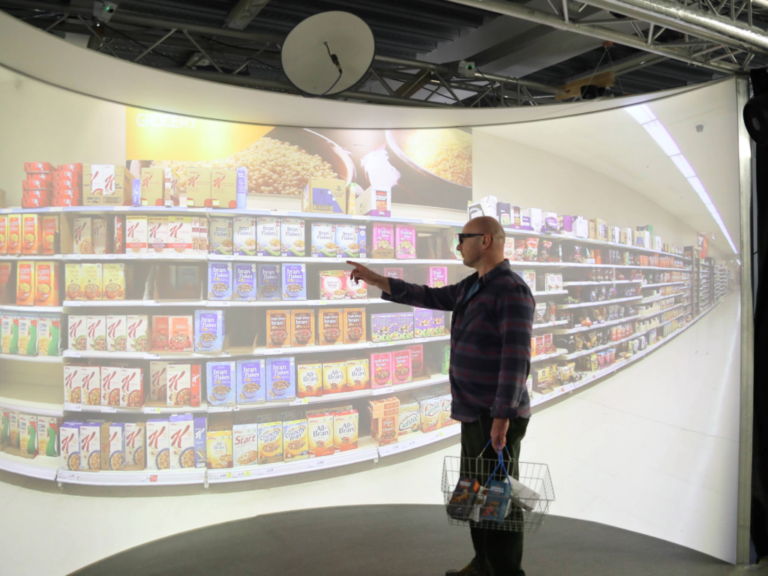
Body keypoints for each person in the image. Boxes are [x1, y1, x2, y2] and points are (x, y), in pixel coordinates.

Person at [348, 216, 535, 576]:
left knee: (498, 496)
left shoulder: (511, 289)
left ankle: (506, 571)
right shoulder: (474, 285)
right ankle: (483, 564)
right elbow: (430, 295)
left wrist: (501, 417)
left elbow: (516, 358)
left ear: (484, 240)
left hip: (495, 415)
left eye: (462, 238)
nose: (457, 245)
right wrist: (376, 280)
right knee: (476, 490)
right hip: (474, 411)